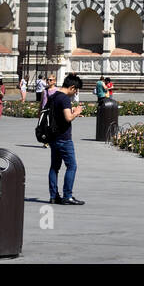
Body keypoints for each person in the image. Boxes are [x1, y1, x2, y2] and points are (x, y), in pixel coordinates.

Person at [46, 73, 85, 205]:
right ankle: (67, 195)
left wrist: (70, 110)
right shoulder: (64, 98)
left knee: (54, 167)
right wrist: (76, 112)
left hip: (53, 137)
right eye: (76, 90)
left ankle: (53, 196)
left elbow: (58, 113)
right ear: (72, 87)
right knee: (72, 166)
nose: (75, 93)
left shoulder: (53, 96)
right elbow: (68, 118)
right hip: (64, 137)